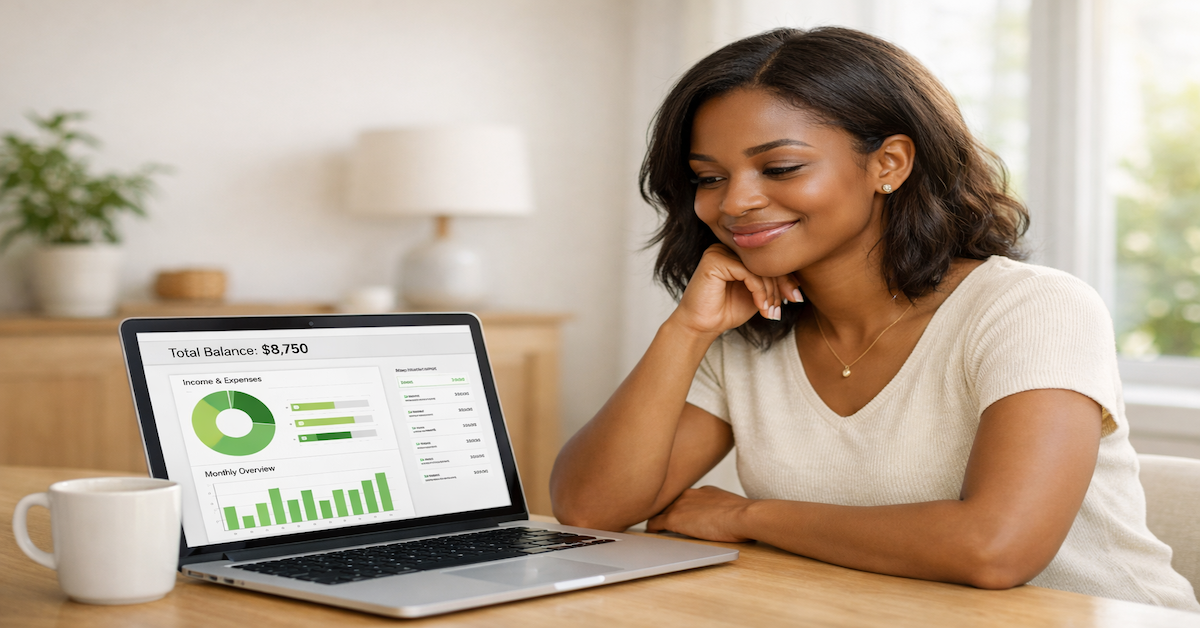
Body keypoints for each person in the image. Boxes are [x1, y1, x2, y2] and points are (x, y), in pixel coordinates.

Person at [549, 27, 1199, 611]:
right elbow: (590, 510)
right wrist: (685, 331)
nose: (736, 202)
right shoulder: (747, 335)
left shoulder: (1031, 308)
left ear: (888, 164)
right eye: (708, 178)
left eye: (780, 167)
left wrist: (748, 515)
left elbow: (995, 548)